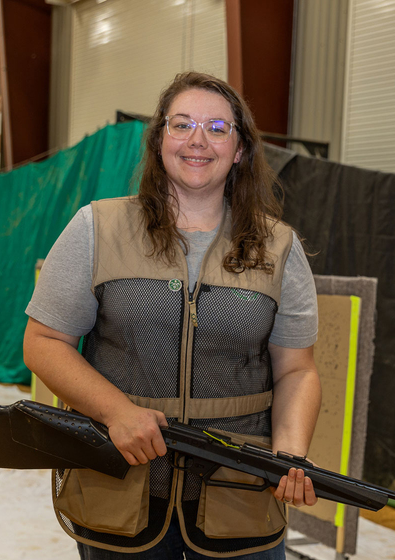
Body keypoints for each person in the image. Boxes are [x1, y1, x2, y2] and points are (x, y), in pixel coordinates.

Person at [24, 71, 322, 559]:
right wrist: (116, 412)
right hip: (119, 491)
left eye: (217, 128)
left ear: (241, 148)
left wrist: (288, 452)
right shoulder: (97, 228)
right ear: (160, 138)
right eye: (181, 124)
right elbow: (43, 342)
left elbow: (297, 368)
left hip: (239, 497)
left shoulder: (279, 247)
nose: (198, 140)